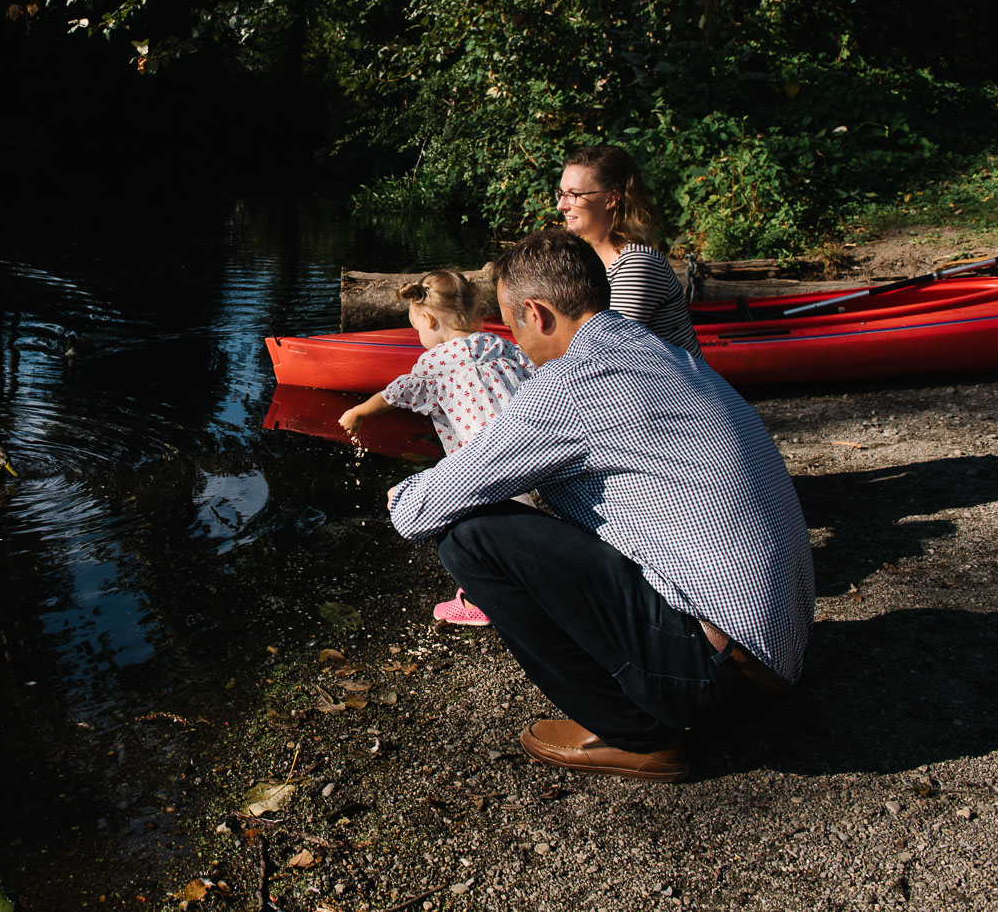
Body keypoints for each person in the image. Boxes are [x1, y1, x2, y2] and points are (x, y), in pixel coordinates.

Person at [386, 229, 813, 782]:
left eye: (512, 324)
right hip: (781, 653)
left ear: (536, 314)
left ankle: (637, 735)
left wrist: (405, 491)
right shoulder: (662, 351)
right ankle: (663, 689)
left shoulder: (568, 386)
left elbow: (417, 514)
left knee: (472, 537)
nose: (514, 340)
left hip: (719, 680)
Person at [337, 270, 534, 626]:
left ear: (427, 319)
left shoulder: (436, 363)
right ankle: (533, 579)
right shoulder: (498, 345)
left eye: (417, 329)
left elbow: (395, 393)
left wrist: (358, 412)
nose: (419, 337)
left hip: (481, 462)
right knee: (524, 520)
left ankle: (480, 600)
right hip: (527, 445)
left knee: (473, 523)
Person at [557, 144, 703, 359]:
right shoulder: (584, 262)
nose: (561, 205)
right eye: (561, 193)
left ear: (610, 199)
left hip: (676, 388)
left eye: (574, 195)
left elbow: (608, 351)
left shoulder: (636, 264)